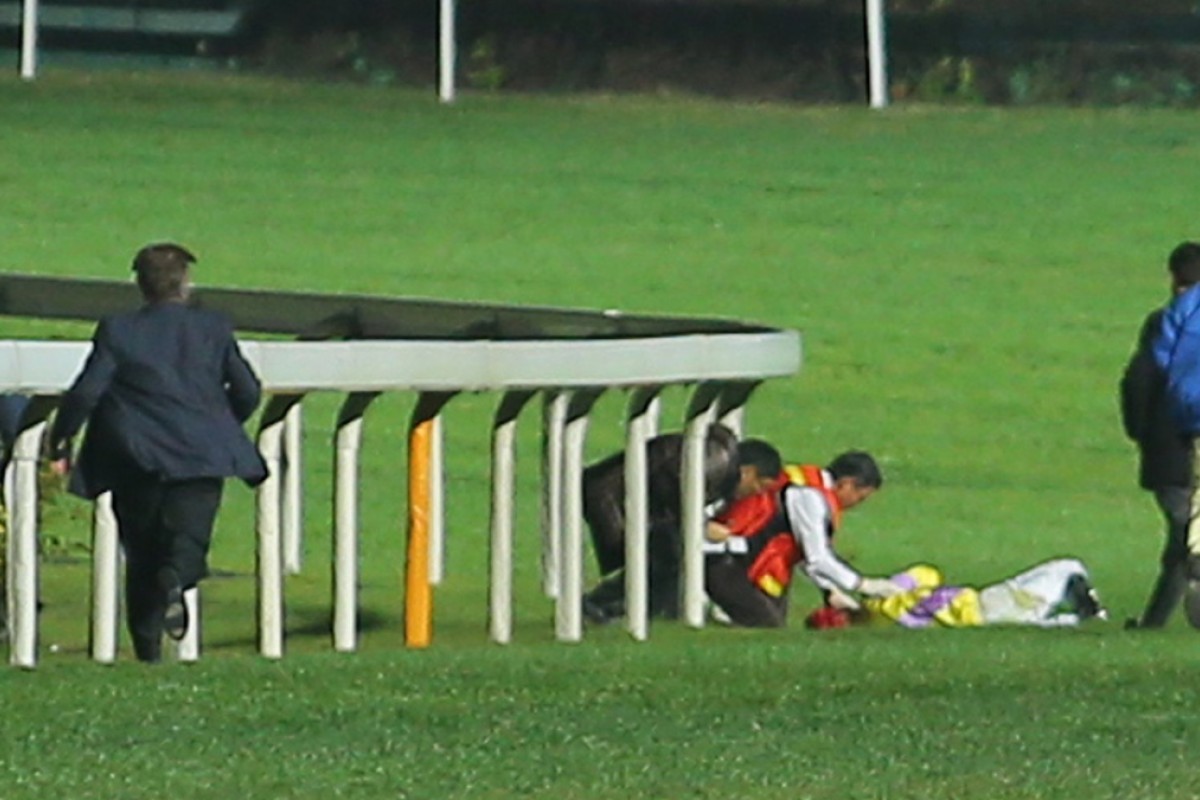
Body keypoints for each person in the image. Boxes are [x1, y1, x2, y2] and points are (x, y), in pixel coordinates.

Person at [48, 243, 268, 663]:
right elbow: (247, 391)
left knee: (142, 554)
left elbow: (87, 392)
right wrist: (219, 424)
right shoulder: (213, 327)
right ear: (185, 283)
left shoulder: (118, 330)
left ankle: (148, 649)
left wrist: (62, 438)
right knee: (188, 543)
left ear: (140, 285)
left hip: (136, 459)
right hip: (201, 458)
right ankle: (176, 582)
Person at [703, 449, 903, 628]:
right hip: (730, 562)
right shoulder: (811, 497)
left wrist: (830, 591)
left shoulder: (805, 482)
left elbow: (802, 549)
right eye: (860, 498)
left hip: (744, 560)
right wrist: (864, 585)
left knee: (771, 626)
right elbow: (817, 557)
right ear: (847, 484)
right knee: (766, 628)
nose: (856, 505)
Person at [580, 424, 744, 623]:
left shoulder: (717, 458)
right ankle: (605, 607)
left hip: (614, 493)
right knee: (664, 555)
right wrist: (700, 525)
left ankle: (615, 608)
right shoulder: (718, 460)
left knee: (666, 554)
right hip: (610, 496)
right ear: (750, 471)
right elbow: (672, 482)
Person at [1121, 241, 1200, 629]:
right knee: (1186, 538)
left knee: (1185, 536)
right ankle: (1155, 621)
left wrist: (1143, 433)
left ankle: (1155, 622)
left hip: (1170, 450)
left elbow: (1137, 382)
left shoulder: (1163, 323)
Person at [805, 558, 1107, 630]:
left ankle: (1085, 621)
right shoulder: (881, 602)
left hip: (988, 618)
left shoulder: (878, 622)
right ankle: (1094, 617)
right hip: (988, 605)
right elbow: (927, 573)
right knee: (1069, 567)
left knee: (1052, 626)